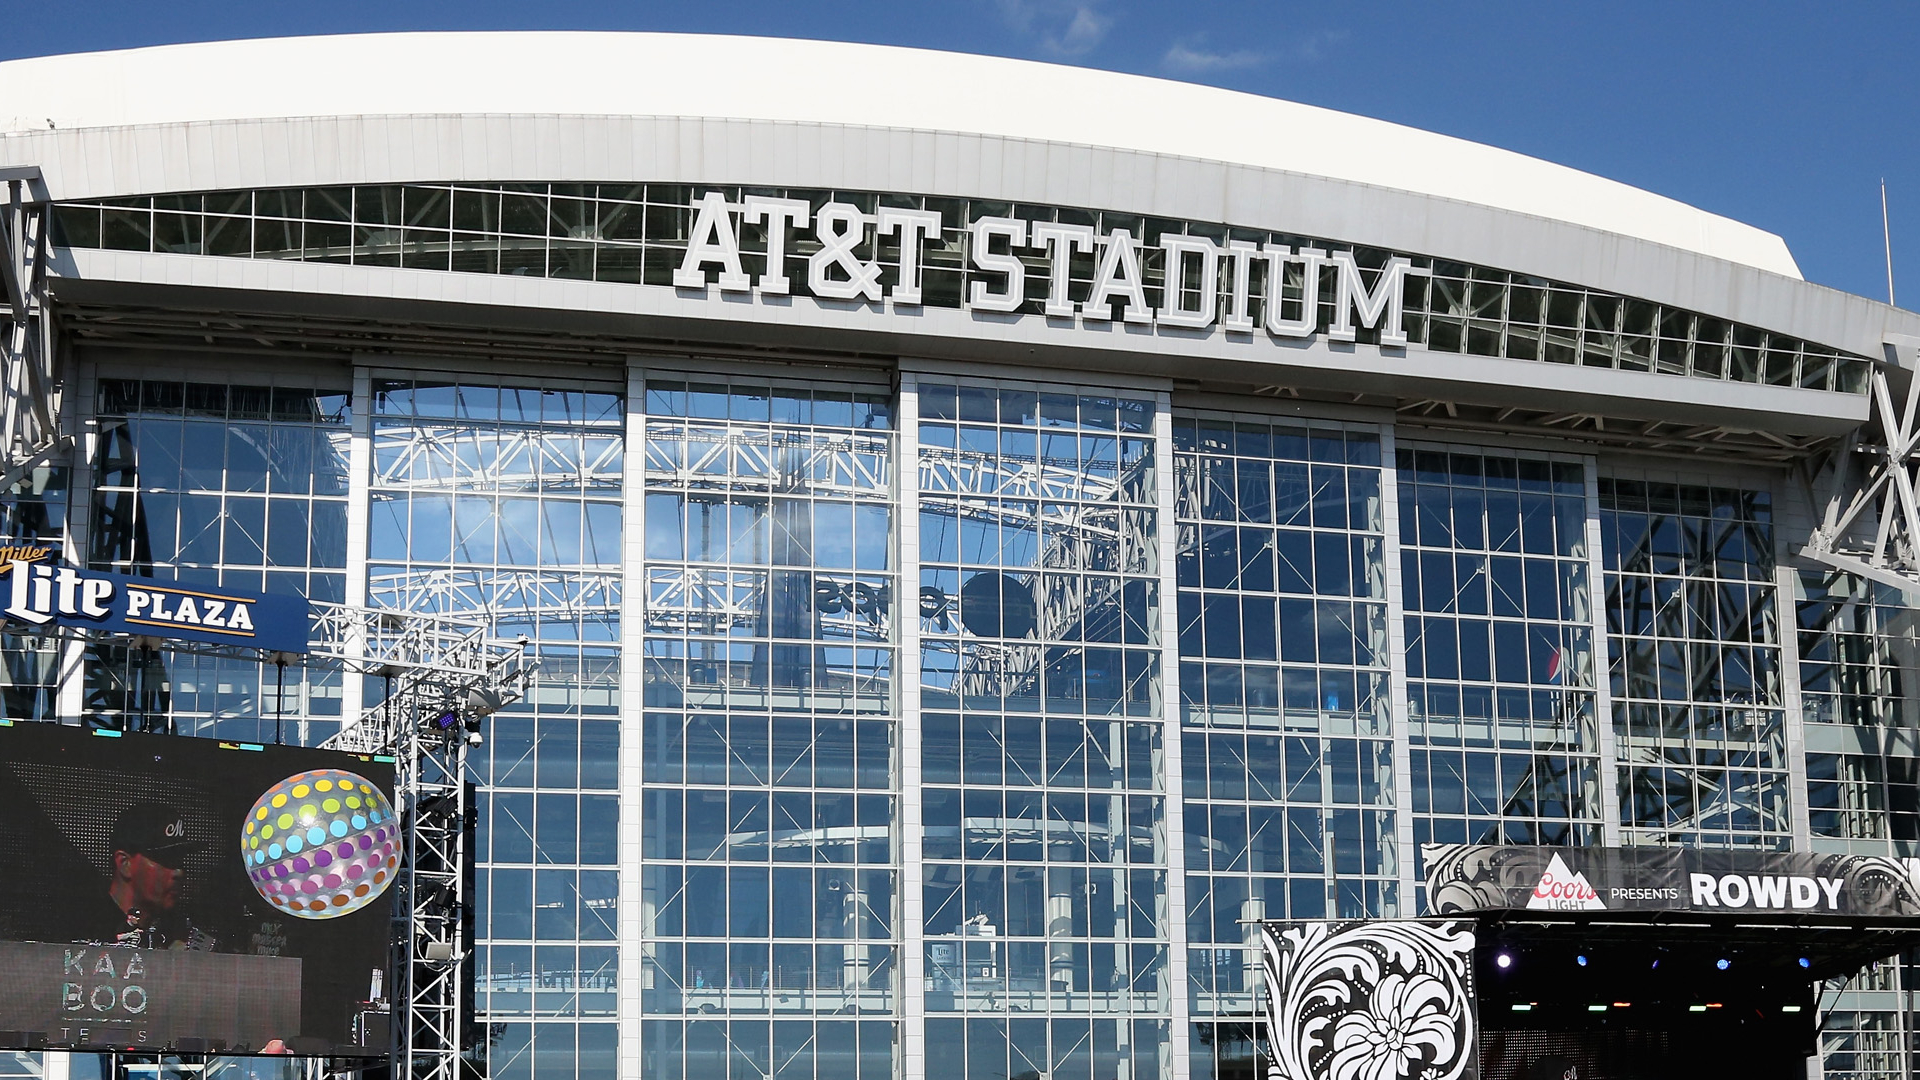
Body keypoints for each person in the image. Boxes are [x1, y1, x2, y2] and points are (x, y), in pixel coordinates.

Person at [72, 802, 207, 949]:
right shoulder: (77, 931)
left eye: (180, 860)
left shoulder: (185, 936)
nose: (178, 872)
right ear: (125, 863)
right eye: (165, 859)